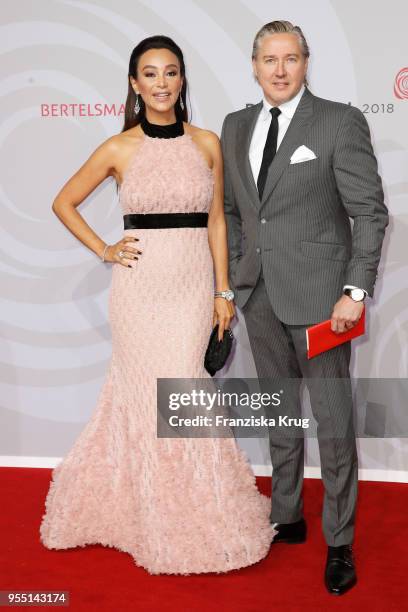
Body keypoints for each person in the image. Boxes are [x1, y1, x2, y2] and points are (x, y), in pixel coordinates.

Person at [39, 35, 275, 575]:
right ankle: (146, 512)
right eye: (151, 74)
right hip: (139, 291)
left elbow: (216, 220)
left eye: (171, 72)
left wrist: (222, 292)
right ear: (134, 83)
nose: (162, 83)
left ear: (182, 79)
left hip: (193, 288)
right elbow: (63, 201)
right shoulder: (119, 147)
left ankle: (199, 508)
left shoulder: (207, 142)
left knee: (185, 391)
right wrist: (104, 249)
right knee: (148, 399)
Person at [221, 20, 388, 594]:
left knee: (335, 422)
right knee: (280, 412)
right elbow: (235, 210)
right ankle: (286, 514)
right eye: (269, 59)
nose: (279, 69)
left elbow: (368, 213)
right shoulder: (235, 124)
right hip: (259, 295)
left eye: (290, 58)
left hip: (323, 300)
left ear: (306, 62)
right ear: (254, 64)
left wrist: (355, 290)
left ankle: (339, 541)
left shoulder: (339, 121)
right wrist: (241, 273)